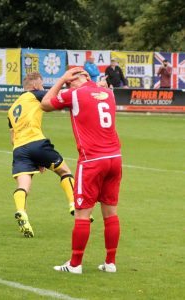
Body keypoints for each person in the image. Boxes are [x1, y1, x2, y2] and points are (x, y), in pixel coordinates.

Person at [41, 67, 122, 274]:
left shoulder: (74, 93)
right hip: (114, 158)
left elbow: (45, 104)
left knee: (82, 213)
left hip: (92, 160)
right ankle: (110, 263)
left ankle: (75, 264)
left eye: (69, 82)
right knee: (110, 213)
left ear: (74, 80)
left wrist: (60, 80)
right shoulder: (109, 94)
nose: (68, 85)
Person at [7, 72, 93, 238]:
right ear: (34, 86)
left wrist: (35, 159)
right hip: (37, 142)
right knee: (65, 172)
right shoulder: (35, 94)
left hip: (19, 149)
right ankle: (73, 203)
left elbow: (12, 138)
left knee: (23, 186)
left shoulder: (11, 109)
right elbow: (54, 98)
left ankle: (21, 212)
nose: (43, 87)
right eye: (41, 85)